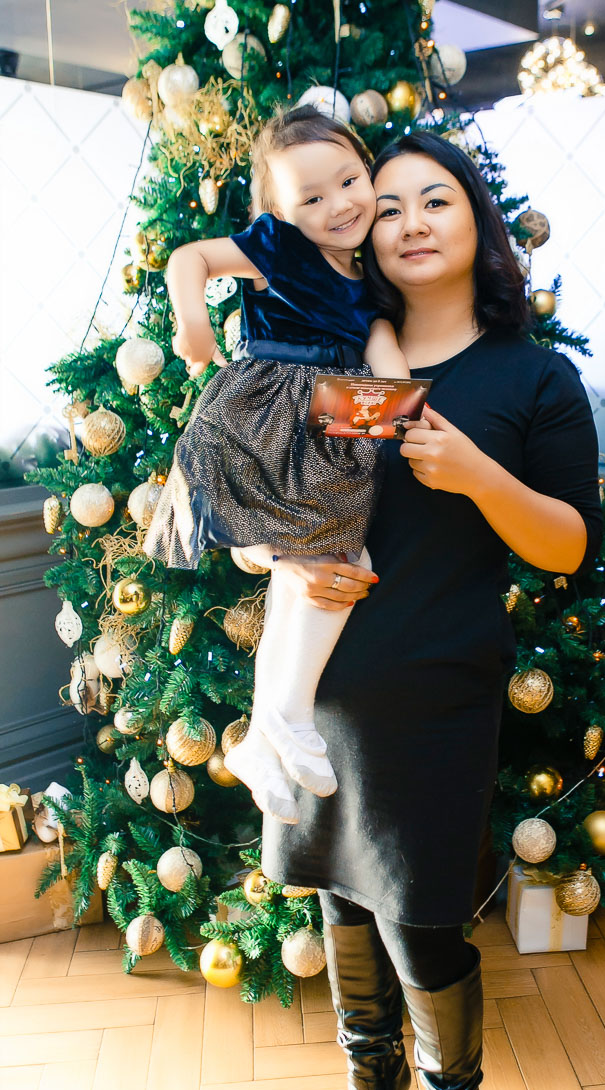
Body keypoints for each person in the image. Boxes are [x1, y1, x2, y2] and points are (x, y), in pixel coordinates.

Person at [263, 131, 604, 1090]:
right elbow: (266, 495)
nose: (408, 221)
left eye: (435, 200)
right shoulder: (331, 351)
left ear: (475, 223)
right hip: (323, 685)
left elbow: (567, 545)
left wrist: (477, 473)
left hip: (437, 690)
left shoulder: (532, 377)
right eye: (389, 204)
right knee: (336, 897)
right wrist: (270, 553)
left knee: (418, 916)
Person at [142, 105, 408, 821]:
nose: (338, 205)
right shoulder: (276, 247)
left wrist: (404, 406)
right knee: (331, 560)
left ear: (367, 170)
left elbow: (387, 363)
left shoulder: (368, 281)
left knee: (328, 561)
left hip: (327, 420)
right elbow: (190, 258)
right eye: (311, 198)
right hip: (262, 412)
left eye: (348, 181)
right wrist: (193, 322)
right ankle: (284, 718)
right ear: (281, 213)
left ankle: (266, 735)